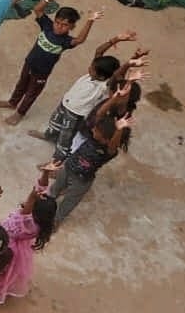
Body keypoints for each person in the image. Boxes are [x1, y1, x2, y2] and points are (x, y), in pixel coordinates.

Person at [0, 0, 102, 124]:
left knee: (31, 93)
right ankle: (12, 102)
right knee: (21, 84)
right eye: (57, 22)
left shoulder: (66, 41)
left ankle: (20, 113)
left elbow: (80, 39)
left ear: (72, 27)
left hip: (42, 73)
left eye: (64, 25)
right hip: (29, 63)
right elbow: (37, 9)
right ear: (54, 20)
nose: (59, 26)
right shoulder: (47, 26)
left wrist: (90, 21)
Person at [28, 37, 144, 159]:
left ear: (101, 76)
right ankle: (49, 136)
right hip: (65, 104)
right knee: (54, 123)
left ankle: (58, 159)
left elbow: (117, 75)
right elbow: (99, 51)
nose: (89, 68)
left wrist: (130, 62)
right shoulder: (92, 74)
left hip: (75, 115)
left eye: (92, 69)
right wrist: (116, 40)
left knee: (65, 139)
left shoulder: (104, 86)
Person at [49, 83, 138, 225]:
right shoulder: (93, 136)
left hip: (81, 181)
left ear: (106, 138)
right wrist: (114, 98)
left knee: (68, 203)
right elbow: (99, 114)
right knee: (53, 190)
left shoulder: (107, 151)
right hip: (67, 168)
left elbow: (114, 143)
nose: (93, 130)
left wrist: (119, 129)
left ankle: (55, 221)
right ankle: (45, 204)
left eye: (97, 130)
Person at [0, 173, 57, 303]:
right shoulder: (41, 223)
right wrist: (45, 173)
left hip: (2, 245)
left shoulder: (24, 224)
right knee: (2, 271)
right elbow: (41, 190)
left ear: (35, 212)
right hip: (15, 248)